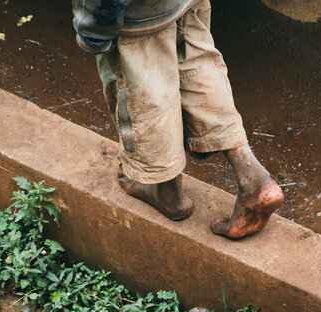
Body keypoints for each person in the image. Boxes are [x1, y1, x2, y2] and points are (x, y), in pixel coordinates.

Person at [72, 0, 284, 239]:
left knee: (145, 87)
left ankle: (166, 190)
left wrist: (94, 27)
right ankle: (253, 178)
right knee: (195, 62)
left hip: (137, 14)